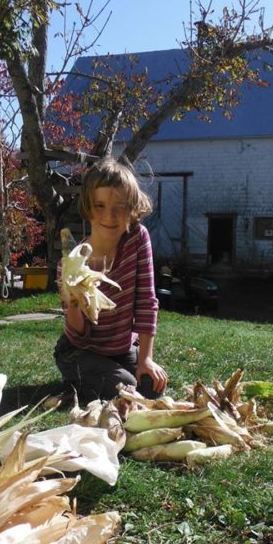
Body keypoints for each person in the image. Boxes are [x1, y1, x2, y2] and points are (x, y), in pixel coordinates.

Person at [54, 157, 168, 403]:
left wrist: (146, 358)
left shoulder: (137, 239)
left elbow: (147, 301)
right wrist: (73, 302)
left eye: (121, 206)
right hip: (78, 351)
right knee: (127, 388)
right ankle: (78, 379)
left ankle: (92, 381)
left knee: (151, 387)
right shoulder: (71, 265)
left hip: (122, 349)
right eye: (100, 206)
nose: (111, 216)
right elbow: (79, 337)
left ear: (133, 207)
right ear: (87, 206)